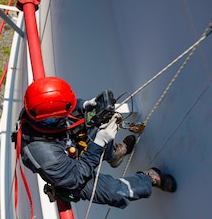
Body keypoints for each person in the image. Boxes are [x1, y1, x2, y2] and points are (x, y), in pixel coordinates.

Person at [17, 76, 176, 209]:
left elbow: (65, 108)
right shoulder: (43, 154)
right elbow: (76, 177)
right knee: (114, 192)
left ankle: (113, 155)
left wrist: (83, 106)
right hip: (68, 174)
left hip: (63, 140)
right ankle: (148, 179)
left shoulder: (38, 108)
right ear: (51, 120)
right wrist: (98, 144)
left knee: (100, 119)